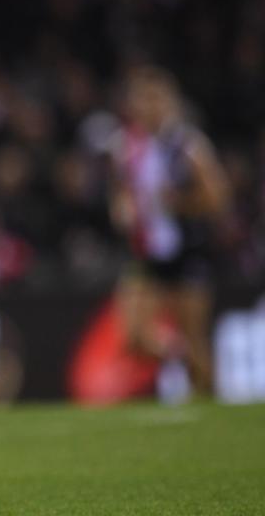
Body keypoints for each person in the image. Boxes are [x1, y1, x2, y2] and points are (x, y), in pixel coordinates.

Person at [109, 65, 229, 397]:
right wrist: (122, 209)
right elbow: (122, 192)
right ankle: (183, 359)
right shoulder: (127, 146)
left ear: (169, 102)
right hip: (147, 252)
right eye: (142, 99)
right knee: (134, 337)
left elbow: (218, 198)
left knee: (194, 334)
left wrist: (181, 202)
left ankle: (211, 403)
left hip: (187, 251)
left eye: (155, 99)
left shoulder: (187, 145)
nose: (148, 106)